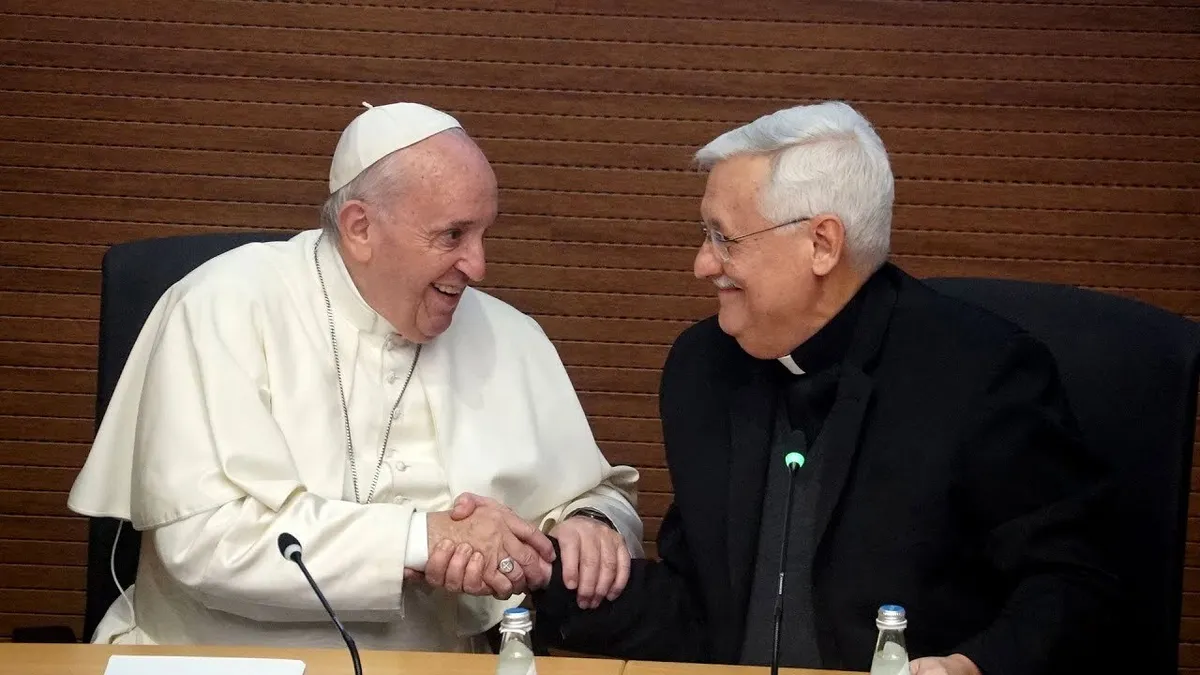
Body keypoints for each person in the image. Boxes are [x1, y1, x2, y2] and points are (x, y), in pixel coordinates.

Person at [522, 101, 1116, 674]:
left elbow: (1074, 581)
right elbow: (701, 612)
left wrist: (971, 667)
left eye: (724, 237)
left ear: (822, 244)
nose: (703, 263)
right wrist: (544, 574)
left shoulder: (981, 372)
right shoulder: (703, 369)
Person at [66, 101, 643, 651]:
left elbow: (598, 493)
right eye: (453, 235)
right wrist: (423, 539)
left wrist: (591, 524)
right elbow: (204, 541)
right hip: (221, 661)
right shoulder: (222, 305)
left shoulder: (509, 333)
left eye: (484, 233)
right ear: (360, 227)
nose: (478, 265)